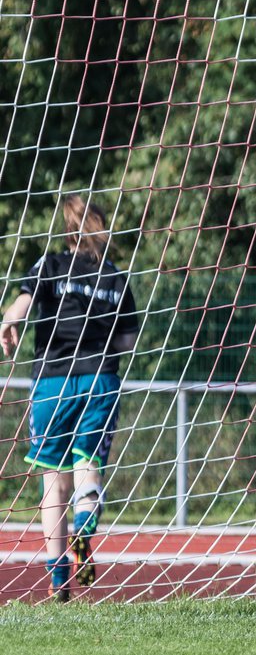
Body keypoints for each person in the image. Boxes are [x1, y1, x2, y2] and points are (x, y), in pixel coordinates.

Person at [1, 195, 139, 602]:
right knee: (88, 466)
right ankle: (85, 522)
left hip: (52, 384)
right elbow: (128, 341)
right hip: (99, 381)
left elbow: (22, 305)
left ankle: (59, 577)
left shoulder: (50, 266)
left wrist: (8, 321)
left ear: (67, 230)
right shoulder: (116, 278)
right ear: (102, 226)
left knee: (52, 483)